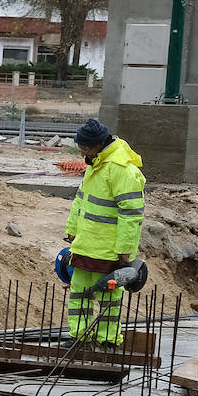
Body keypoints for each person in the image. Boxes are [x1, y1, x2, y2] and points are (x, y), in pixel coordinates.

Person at [62, 119, 146, 349]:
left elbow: (131, 213)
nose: (81, 153)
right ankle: (79, 335)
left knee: (109, 297)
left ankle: (108, 339)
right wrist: (72, 229)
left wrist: (125, 249)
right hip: (85, 245)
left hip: (109, 250)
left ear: (97, 145)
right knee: (79, 293)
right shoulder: (96, 163)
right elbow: (82, 200)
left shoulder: (122, 170)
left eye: (84, 149)